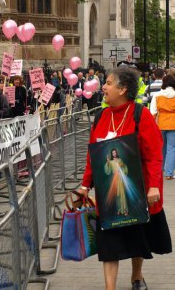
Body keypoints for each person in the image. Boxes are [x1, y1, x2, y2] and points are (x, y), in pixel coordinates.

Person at [79, 68, 172, 290]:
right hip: (106, 193)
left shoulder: (141, 115)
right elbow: (92, 155)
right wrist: (84, 185)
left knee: (136, 239)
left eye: (109, 83)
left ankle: (136, 276)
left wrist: (153, 187)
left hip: (135, 192)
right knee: (109, 242)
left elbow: (154, 156)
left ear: (122, 89)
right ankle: (109, 288)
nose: (103, 86)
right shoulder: (101, 116)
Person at [150, 74, 175, 180]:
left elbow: (153, 111)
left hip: (160, 124)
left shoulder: (157, 95)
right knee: (171, 148)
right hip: (173, 124)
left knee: (161, 148)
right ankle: (169, 173)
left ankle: (160, 170)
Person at [105, 148, 129, 216]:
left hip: (121, 179)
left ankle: (125, 210)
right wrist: (107, 162)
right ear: (112, 154)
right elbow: (108, 171)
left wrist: (122, 171)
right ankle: (119, 209)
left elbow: (124, 167)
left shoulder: (120, 160)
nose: (114, 154)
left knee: (122, 194)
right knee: (117, 195)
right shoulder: (111, 162)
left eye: (115, 152)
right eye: (113, 153)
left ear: (116, 153)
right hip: (115, 180)